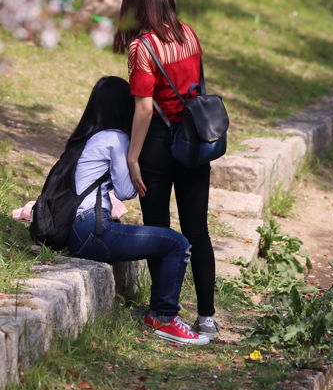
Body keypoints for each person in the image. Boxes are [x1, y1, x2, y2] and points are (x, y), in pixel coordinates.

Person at [16, 77, 206, 345]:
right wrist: (136, 161)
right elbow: (128, 191)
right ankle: (164, 318)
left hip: (74, 228)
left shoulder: (87, 134)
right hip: (92, 231)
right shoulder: (115, 139)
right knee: (178, 243)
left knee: (169, 241)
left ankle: (160, 314)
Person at [112, 0, 219, 341]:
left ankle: (162, 312)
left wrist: (131, 158)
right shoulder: (189, 34)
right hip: (192, 143)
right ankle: (207, 317)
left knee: (158, 231)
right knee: (198, 231)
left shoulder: (143, 47)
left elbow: (143, 109)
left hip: (157, 145)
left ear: (136, 5)